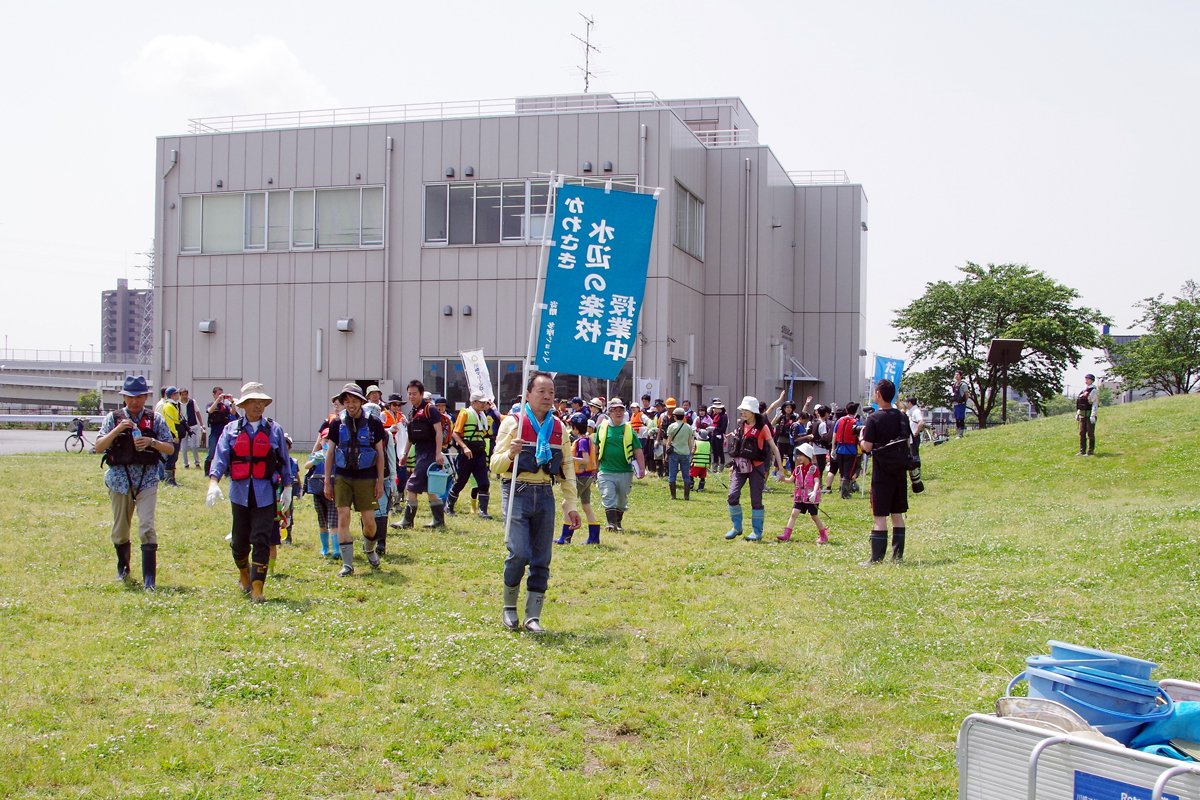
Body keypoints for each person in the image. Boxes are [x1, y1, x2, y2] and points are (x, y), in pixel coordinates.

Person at [489, 371, 581, 633]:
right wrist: (510, 453)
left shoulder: (559, 428)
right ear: (527, 395)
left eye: (551, 392)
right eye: (541, 391)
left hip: (544, 494)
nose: (547, 396)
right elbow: (495, 465)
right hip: (516, 490)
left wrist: (571, 505)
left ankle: (533, 616)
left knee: (542, 557)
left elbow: (566, 467)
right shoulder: (513, 423)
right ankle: (509, 608)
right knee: (518, 551)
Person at [206, 382, 293, 601]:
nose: (258, 405)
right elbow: (220, 457)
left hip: (265, 493)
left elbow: (283, 460)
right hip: (239, 493)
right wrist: (213, 482)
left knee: (262, 539)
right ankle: (243, 572)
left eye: (261, 401)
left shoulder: (275, 429)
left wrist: (288, 488)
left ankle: (257, 588)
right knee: (239, 541)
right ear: (243, 405)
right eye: (253, 401)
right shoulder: (231, 429)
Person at [94, 375, 175, 589]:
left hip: (147, 479)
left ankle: (150, 580)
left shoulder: (155, 419)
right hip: (119, 481)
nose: (134, 402)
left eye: (139, 397)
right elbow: (99, 446)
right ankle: (123, 570)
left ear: (146, 397)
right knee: (121, 529)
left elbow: (170, 447)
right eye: (130, 397)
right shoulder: (113, 418)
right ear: (123, 397)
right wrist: (118, 429)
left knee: (146, 526)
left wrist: (152, 442)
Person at [324, 383, 387, 576]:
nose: (350, 404)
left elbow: (379, 453)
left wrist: (380, 481)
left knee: (369, 522)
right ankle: (348, 564)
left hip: (366, 477)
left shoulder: (374, 423)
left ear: (361, 401)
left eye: (354, 400)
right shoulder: (336, 423)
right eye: (347, 401)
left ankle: (369, 549)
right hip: (343, 476)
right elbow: (331, 453)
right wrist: (328, 480)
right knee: (343, 517)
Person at [859, 379, 914, 564]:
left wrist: (860, 439)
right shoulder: (902, 416)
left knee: (880, 515)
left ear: (878, 394)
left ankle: (876, 558)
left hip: (882, 472)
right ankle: (897, 556)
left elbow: (867, 447)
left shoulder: (874, 418)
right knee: (897, 514)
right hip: (899, 471)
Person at [723, 396, 783, 542]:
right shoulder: (740, 425)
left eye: (745, 410)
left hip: (756, 468)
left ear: (753, 412)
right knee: (732, 496)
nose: (743, 412)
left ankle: (757, 531)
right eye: (742, 409)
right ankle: (737, 527)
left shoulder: (763, 428)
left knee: (756, 500)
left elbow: (774, 448)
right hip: (739, 467)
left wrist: (780, 469)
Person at [398, 380, 447, 528]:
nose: (411, 396)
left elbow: (438, 432)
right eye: (409, 393)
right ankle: (438, 521)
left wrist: (438, 452)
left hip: (429, 452)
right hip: (419, 451)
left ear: (421, 394)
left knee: (412, 486)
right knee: (430, 488)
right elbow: (411, 436)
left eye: (414, 393)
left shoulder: (430, 409)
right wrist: (405, 453)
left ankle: (407, 521)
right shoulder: (412, 412)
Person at [595, 398, 647, 531]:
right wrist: (594, 467)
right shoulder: (602, 427)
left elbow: (638, 450)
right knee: (608, 495)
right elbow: (595, 448)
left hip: (625, 470)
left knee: (622, 498)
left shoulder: (628, 429)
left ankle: (617, 523)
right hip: (606, 470)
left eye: (621, 410)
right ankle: (611, 524)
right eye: (615, 410)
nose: (618, 413)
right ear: (610, 413)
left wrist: (642, 468)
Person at [447, 391, 495, 519]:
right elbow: (455, 433)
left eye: (484, 402)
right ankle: (449, 506)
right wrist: (464, 447)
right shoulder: (465, 413)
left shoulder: (483, 415)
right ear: (473, 403)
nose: (483, 404)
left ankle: (483, 511)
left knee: (484, 482)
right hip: (467, 453)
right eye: (481, 402)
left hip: (479, 452)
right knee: (461, 481)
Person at [556, 413, 600, 544]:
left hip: (581, 477)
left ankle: (565, 537)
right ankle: (594, 538)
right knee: (586, 506)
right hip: (587, 477)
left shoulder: (581, 442)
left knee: (566, 504)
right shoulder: (587, 439)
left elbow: (585, 460)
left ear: (575, 428)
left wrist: (568, 457)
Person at [779, 443, 828, 544]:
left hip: (810, 498)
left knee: (814, 516)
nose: (798, 457)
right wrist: (783, 479)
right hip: (800, 497)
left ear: (807, 456)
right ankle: (786, 535)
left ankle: (823, 535)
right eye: (798, 455)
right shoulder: (798, 469)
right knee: (794, 514)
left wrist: (814, 492)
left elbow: (817, 481)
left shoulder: (814, 469)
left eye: (801, 455)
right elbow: (790, 480)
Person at [303, 426, 335, 557]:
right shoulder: (316, 454)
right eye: (324, 439)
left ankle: (337, 548)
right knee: (322, 520)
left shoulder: (336, 455)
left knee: (334, 521)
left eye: (329, 439)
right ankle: (325, 547)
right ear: (320, 441)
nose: (327, 442)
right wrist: (314, 461)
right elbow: (306, 466)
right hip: (317, 491)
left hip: (333, 492)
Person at [832, 403, 861, 500]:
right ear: (855, 412)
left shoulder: (839, 420)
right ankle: (845, 493)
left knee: (842, 470)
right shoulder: (856, 422)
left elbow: (834, 436)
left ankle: (842, 489)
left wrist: (833, 448)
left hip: (839, 449)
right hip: (851, 450)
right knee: (848, 472)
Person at [665, 406, 694, 500]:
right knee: (686, 475)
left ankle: (673, 496)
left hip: (674, 452)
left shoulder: (672, 426)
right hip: (685, 453)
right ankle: (686, 496)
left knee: (672, 474)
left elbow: (668, 442)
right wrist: (689, 452)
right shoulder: (688, 427)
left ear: (675, 416)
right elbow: (690, 442)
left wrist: (666, 454)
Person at [204, 387, 234, 477]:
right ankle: (207, 472)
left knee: (226, 452)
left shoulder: (226, 406)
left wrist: (232, 402)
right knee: (211, 453)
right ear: (214, 395)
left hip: (224, 434)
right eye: (218, 394)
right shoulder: (210, 404)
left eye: (222, 394)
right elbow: (210, 411)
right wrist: (217, 401)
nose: (221, 396)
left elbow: (233, 412)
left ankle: (227, 472)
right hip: (214, 433)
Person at [158, 387, 182, 486]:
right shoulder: (168, 406)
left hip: (176, 433)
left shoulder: (174, 405)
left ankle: (172, 478)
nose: (178, 395)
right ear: (172, 395)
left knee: (174, 457)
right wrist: (174, 435)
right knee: (171, 457)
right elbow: (170, 422)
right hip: (173, 434)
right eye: (176, 393)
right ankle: (168, 479)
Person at [1076, 374, 1099, 456]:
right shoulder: (1083, 390)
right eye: (1086, 379)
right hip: (1082, 414)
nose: (1086, 380)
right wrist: (1078, 413)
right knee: (1082, 433)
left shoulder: (1093, 391)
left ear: (1092, 380)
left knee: (1090, 433)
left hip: (1089, 414)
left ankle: (1090, 451)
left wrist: (1093, 415)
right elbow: (1081, 403)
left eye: (1088, 379)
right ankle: (1082, 450)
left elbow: (1095, 403)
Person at [179, 389, 201, 468]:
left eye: (185, 394)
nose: (184, 396)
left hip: (193, 426)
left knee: (193, 445)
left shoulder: (192, 402)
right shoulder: (178, 404)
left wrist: (201, 423)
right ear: (180, 395)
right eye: (182, 394)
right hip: (184, 427)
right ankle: (186, 464)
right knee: (184, 447)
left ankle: (197, 462)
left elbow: (197, 412)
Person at [690, 423, 711, 491]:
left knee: (690, 475)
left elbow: (692, 451)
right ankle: (701, 488)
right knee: (702, 477)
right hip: (705, 464)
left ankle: (690, 486)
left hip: (697, 463)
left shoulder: (696, 442)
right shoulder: (708, 443)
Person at [709, 399, 728, 473]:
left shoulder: (723, 416)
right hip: (714, 435)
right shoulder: (715, 415)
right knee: (714, 452)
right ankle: (714, 468)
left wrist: (715, 428)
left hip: (719, 435)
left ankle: (721, 468)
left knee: (720, 452)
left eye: (715, 408)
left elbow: (723, 428)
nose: (714, 410)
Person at [905, 396, 925, 462]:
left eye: (906, 403)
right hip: (911, 437)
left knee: (914, 454)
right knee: (911, 454)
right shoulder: (911, 411)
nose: (906, 404)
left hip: (914, 436)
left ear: (910, 403)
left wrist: (916, 432)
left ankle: (916, 469)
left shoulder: (916, 411)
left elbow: (921, 422)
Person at [950, 370, 969, 439]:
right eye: (955, 375)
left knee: (961, 418)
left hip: (961, 403)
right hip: (955, 404)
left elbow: (966, 394)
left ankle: (960, 434)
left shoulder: (963, 384)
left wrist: (964, 401)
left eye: (957, 374)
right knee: (957, 418)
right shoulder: (954, 384)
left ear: (961, 376)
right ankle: (958, 433)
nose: (956, 376)